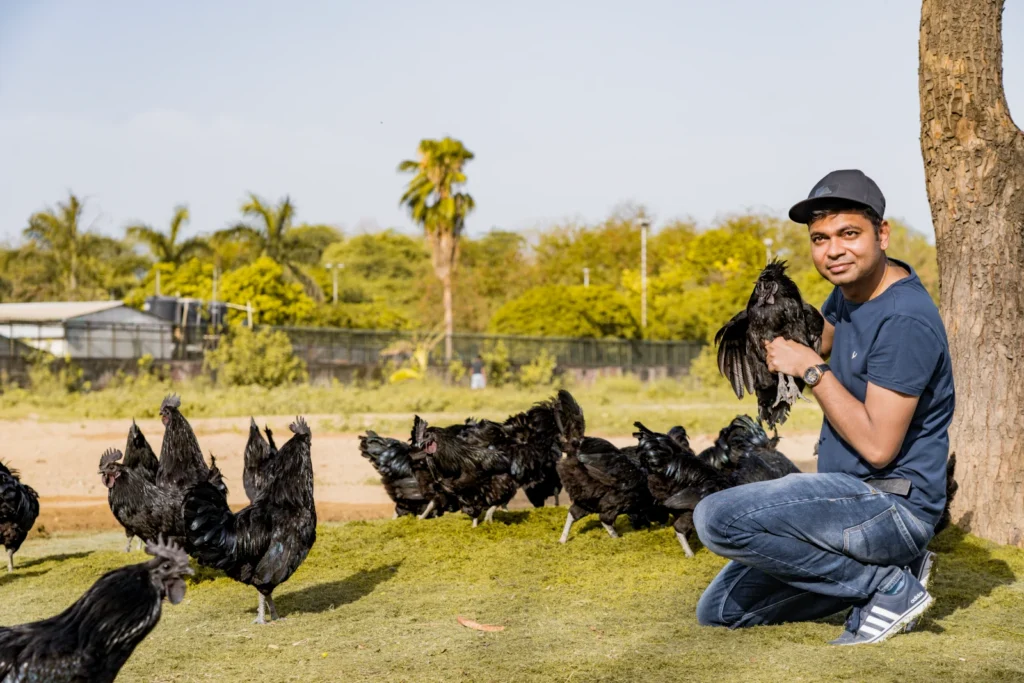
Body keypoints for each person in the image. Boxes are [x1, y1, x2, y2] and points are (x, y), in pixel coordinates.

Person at [693, 169, 955, 646]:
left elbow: (878, 447)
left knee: (716, 518)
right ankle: (892, 570)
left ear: (883, 233)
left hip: (891, 506)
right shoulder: (849, 295)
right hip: (846, 500)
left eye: (849, 234)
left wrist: (812, 370)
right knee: (720, 610)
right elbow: (818, 343)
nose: (834, 250)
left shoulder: (904, 321)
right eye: (820, 239)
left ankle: (888, 586)